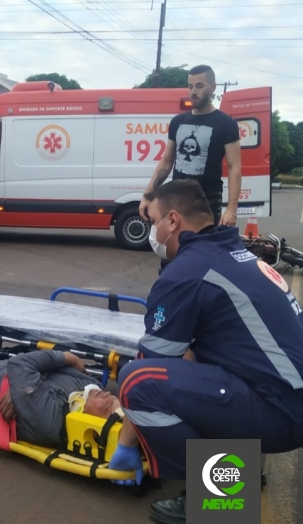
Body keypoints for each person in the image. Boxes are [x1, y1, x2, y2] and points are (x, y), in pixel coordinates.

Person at [109, 180, 303, 524]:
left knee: (135, 382)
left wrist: (127, 440)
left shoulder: (188, 272)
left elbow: (151, 363)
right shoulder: (233, 253)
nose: (152, 233)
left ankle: (222, 493)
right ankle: (239, 463)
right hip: (285, 398)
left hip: (282, 412)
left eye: (153, 222)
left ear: (172, 221)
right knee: (192, 358)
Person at [139, 64, 242, 229]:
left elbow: (234, 167)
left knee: (203, 252)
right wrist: (148, 196)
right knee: (172, 253)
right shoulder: (178, 122)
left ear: (212, 87)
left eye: (199, 86)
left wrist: (231, 210)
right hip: (176, 201)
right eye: (190, 86)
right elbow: (166, 162)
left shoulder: (226, 123)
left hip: (207, 203)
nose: (193, 91)